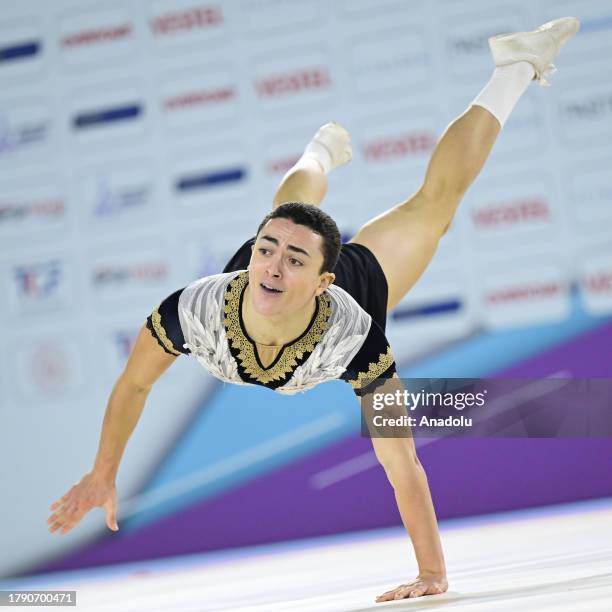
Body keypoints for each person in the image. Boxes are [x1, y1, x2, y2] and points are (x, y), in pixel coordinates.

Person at [48, 17, 579, 602]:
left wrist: (432, 574)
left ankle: (514, 67)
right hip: (276, 278)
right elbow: (133, 386)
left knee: (436, 204)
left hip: (361, 283)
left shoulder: (355, 336)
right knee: (291, 211)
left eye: (293, 262)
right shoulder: (195, 309)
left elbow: (401, 464)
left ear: (325, 281)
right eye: (263, 252)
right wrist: (103, 471)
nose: (271, 267)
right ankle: (320, 153)